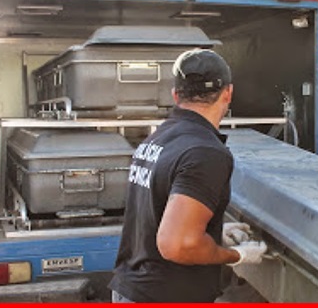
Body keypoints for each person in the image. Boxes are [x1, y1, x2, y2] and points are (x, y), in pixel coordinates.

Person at [109, 49, 268, 303]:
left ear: (175, 95)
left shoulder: (157, 139)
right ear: (228, 93)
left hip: (132, 288)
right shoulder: (205, 152)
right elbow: (179, 244)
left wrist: (214, 232)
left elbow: (157, 213)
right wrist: (235, 255)